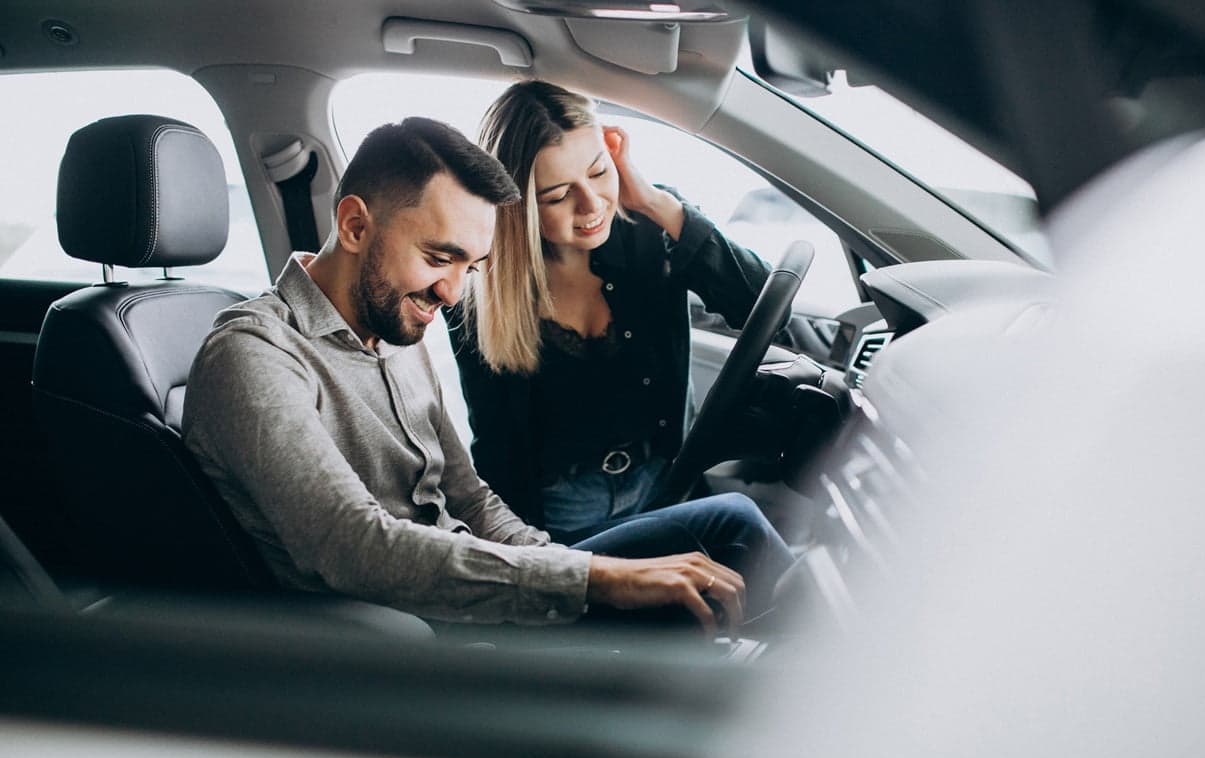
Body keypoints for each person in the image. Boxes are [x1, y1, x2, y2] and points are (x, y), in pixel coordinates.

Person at [183, 116, 788, 635]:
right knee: (713, 558)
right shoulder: (254, 354)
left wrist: (562, 566)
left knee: (724, 529)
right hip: (412, 637)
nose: (451, 291)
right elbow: (352, 547)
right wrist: (596, 578)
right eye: (438, 257)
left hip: (476, 592)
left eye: (472, 265)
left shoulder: (394, 322)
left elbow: (469, 498)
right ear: (355, 225)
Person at [448, 80, 774, 543]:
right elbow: (497, 443)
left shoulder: (650, 228)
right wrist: (524, 555)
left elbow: (763, 305)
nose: (591, 204)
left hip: (667, 478)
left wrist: (654, 201)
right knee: (737, 526)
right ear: (518, 209)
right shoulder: (480, 290)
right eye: (558, 195)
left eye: (599, 171)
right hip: (562, 509)